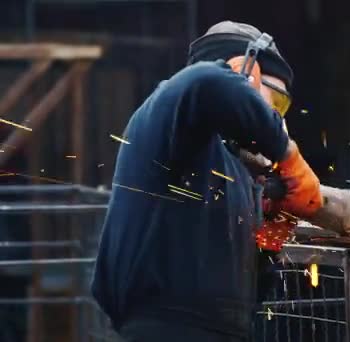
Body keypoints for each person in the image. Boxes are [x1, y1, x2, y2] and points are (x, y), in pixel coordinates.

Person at [91, 21, 322, 342]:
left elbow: (247, 294)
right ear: (242, 74)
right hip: (164, 330)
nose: (275, 117)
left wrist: (270, 236)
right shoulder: (170, 113)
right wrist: (289, 154)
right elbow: (207, 82)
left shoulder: (238, 168)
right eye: (274, 100)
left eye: (281, 109)